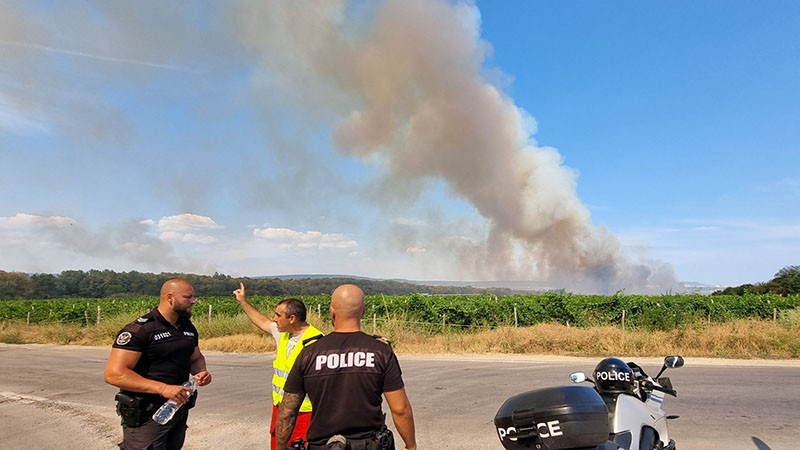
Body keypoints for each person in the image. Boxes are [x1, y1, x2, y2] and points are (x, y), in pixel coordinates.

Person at [276, 284, 417, 450]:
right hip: (369, 445)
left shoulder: (309, 353)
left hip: (321, 445)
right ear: (363, 311)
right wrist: (410, 445)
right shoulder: (381, 351)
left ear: (332, 311)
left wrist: (281, 447)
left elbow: (287, 413)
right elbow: (400, 409)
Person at [104, 278, 212, 450]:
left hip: (176, 410)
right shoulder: (140, 329)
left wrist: (201, 371)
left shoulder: (187, 327)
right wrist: (163, 388)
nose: (194, 301)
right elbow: (114, 374)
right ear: (170, 298)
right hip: (147, 415)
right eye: (188, 297)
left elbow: (195, 357)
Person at [233, 282, 323, 449]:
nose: (274, 319)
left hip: (305, 412)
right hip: (281, 409)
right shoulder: (282, 333)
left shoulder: (317, 341)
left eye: (277, 315)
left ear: (292, 319)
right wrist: (243, 302)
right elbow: (262, 322)